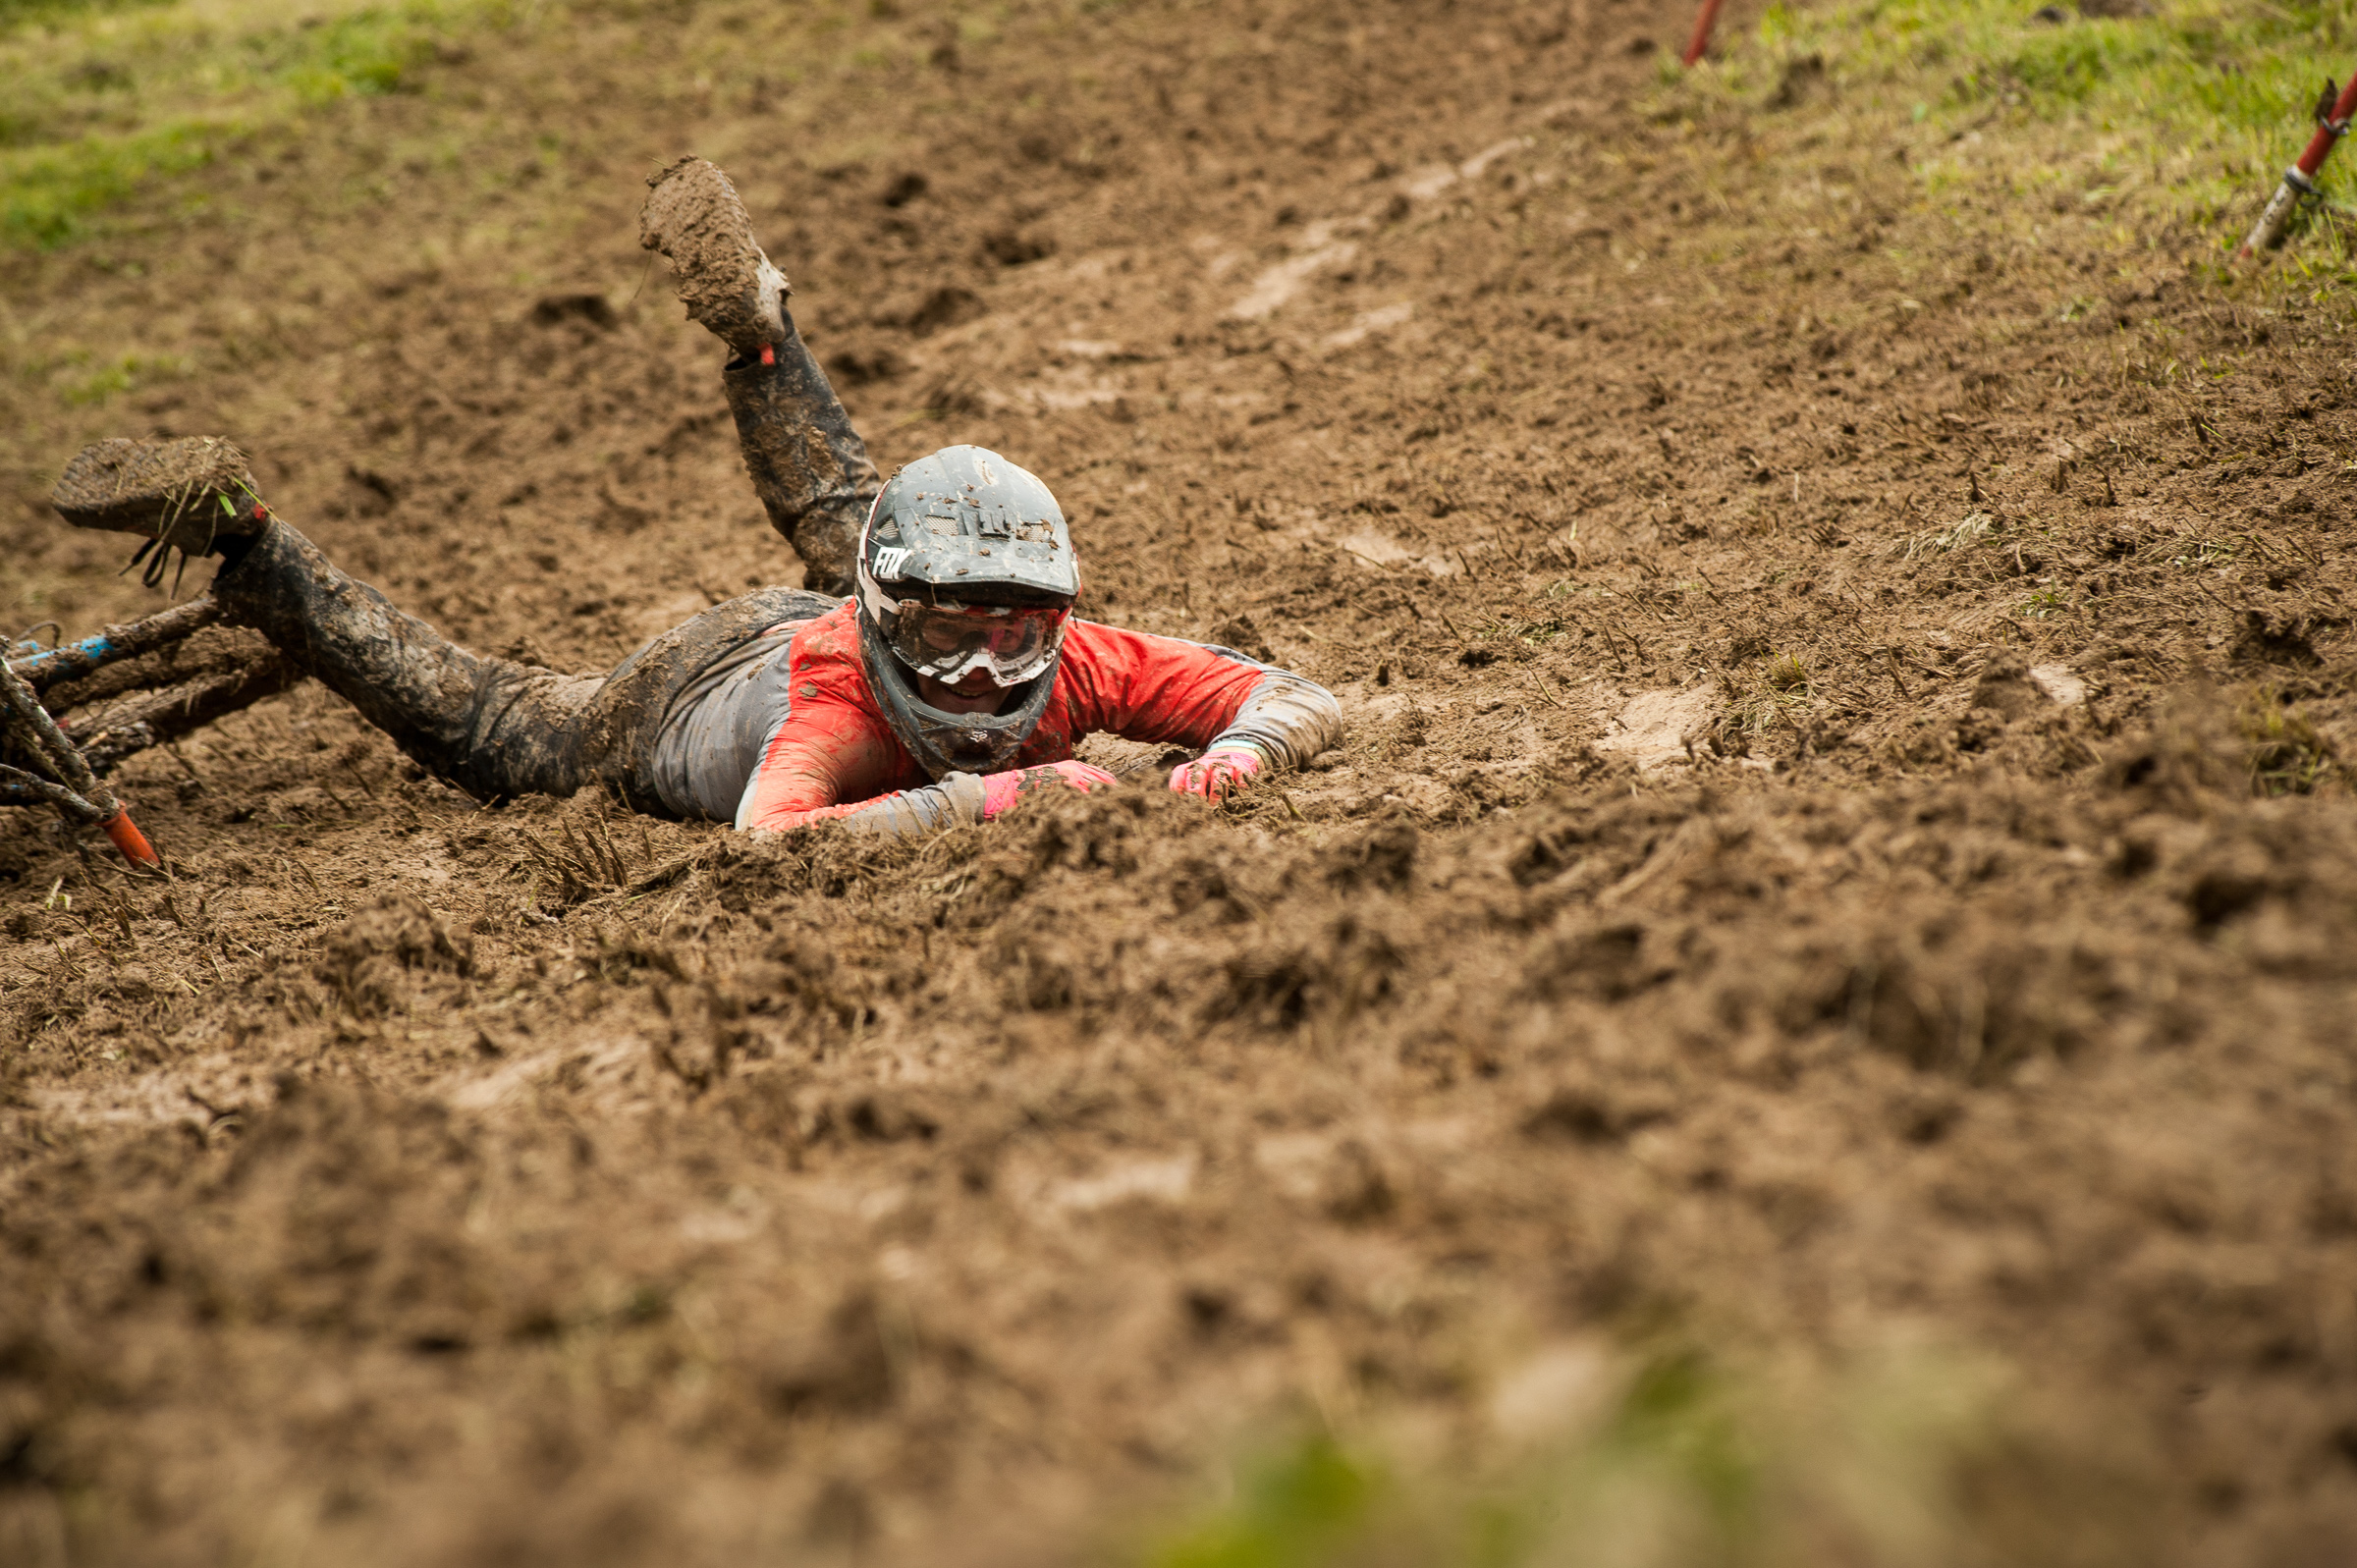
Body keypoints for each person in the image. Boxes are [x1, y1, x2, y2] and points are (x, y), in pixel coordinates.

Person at [47, 159, 1340, 837]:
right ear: (897, 621)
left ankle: (765, 336)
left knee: (853, 516)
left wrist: (1236, 756)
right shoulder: (841, 711)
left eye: (1017, 627)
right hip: (682, 692)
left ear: (1055, 616)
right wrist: (993, 798)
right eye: (957, 630)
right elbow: (778, 838)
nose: (988, 667)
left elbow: (1294, 695)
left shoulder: (1069, 656)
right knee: (494, 727)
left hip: (825, 614)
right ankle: (247, 534)